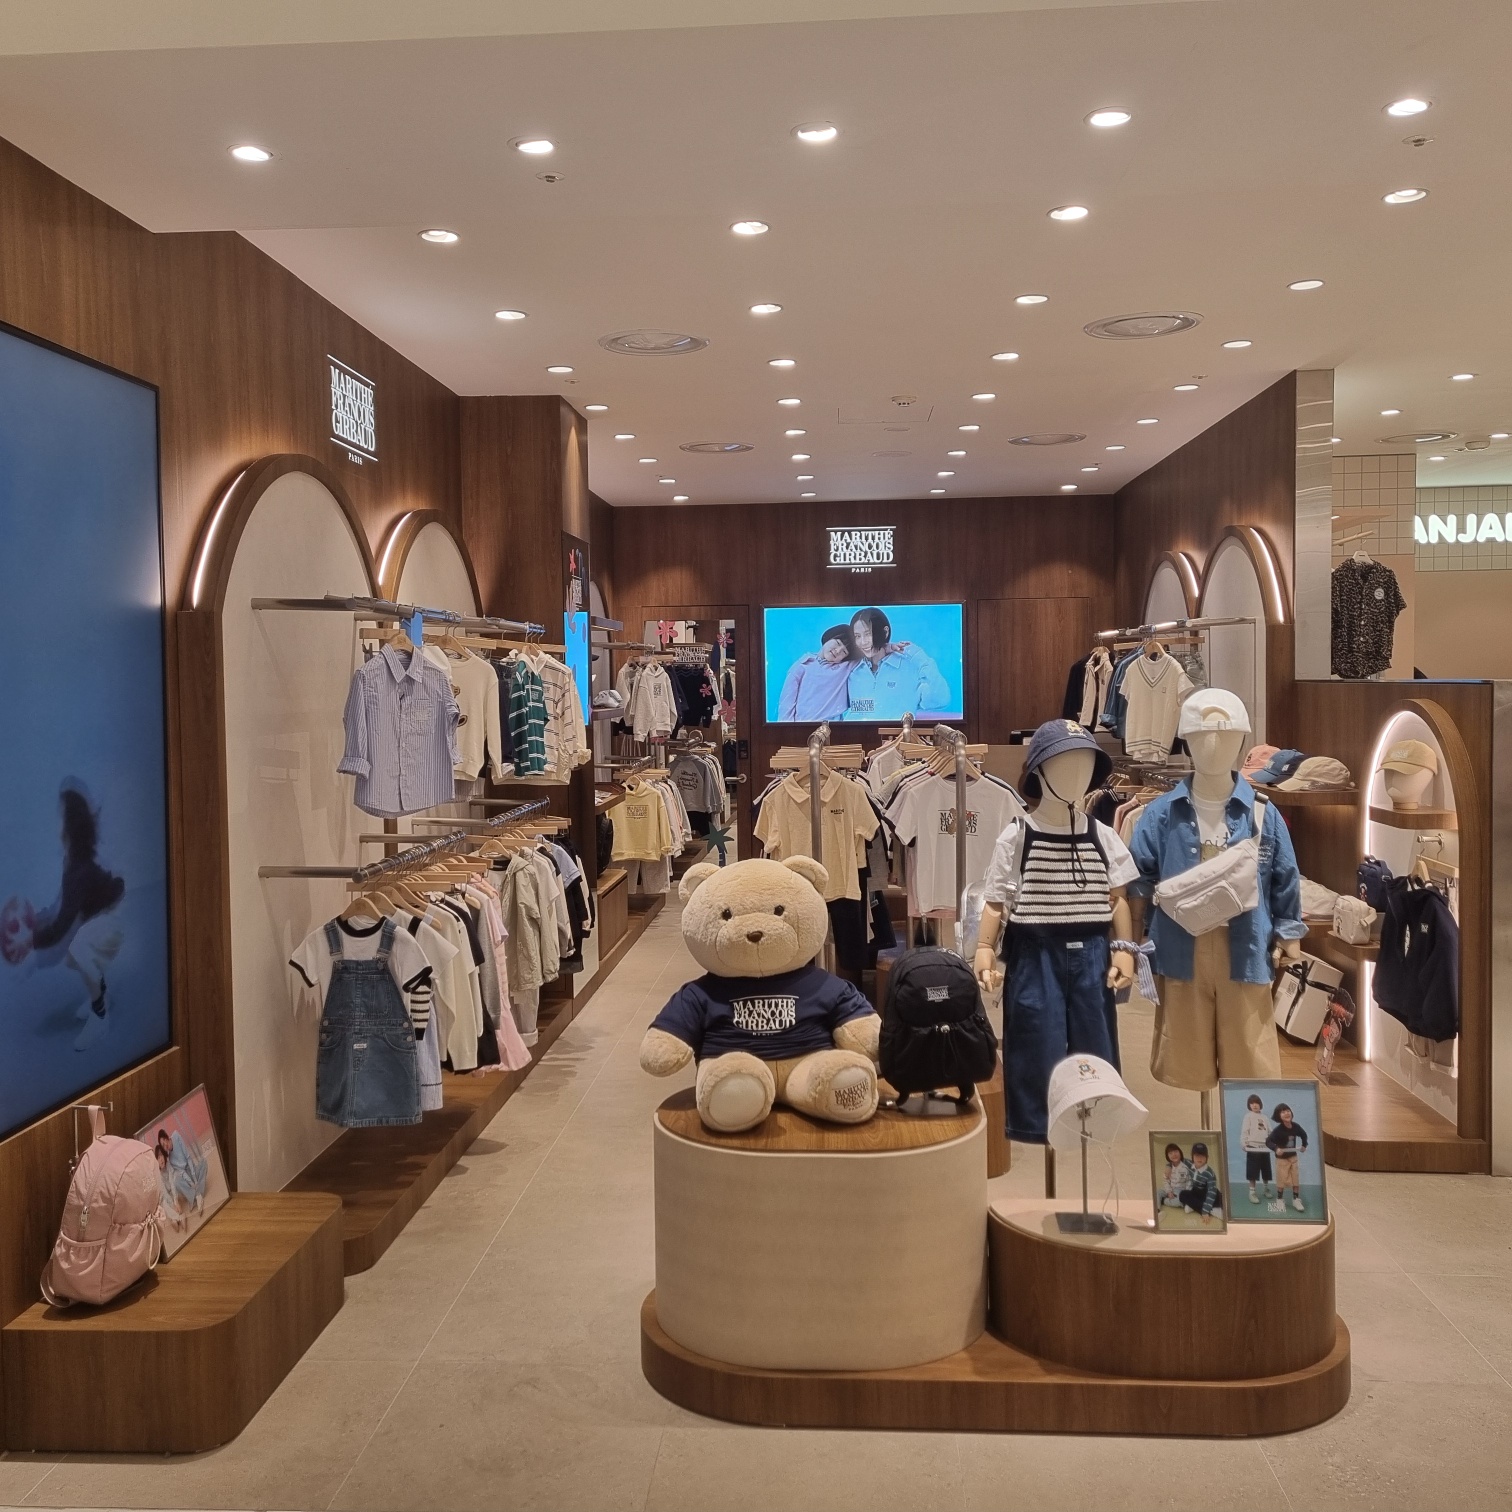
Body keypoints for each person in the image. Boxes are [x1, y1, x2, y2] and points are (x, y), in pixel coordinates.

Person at [0, 779, 125, 1052]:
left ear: (69, 825)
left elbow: (60, 928)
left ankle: (100, 1015)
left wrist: (30, 946)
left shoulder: (79, 871)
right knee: (77, 948)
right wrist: (34, 923)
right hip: (100, 913)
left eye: (59, 817)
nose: (55, 823)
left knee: (79, 947)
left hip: (113, 917)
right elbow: (59, 907)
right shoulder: (72, 861)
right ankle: (101, 992)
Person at [843, 608, 951, 720]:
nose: (863, 642)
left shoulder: (909, 666)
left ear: (885, 632)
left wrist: (920, 658)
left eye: (868, 634)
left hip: (899, 731)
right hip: (856, 731)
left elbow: (940, 700)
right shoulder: (852, 669)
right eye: (857, 636)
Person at [777, 624, 855, 721]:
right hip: (802, 724)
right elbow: (786, 703)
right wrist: (787, 728)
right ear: (829, 637)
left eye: (844, 652)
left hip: (831, 727)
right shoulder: (802, 665)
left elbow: (866, 652)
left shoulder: (845, 668)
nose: (838, 651)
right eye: (838, 643)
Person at [156, 1126, 209, 1223]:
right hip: (186, 1177)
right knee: (177, 1182)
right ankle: (197, 1196)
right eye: (163, 1145)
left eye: (165, 1141)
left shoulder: (176, 1136)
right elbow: (182, 1172)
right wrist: (190, 1182)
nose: (165, 1145)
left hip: (192, 1170)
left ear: (167, 1137)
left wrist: (194, 1179)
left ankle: (194, 1197)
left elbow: (188, 1157)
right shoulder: (171, 1159)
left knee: (204, 1162)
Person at [1266, 1102, 1309, 1212]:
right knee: (1281, 1179)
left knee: (1295, 1179)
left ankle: (1296, 1199)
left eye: (1288, 1111)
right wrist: (1276, 1148)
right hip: (1281, 1160)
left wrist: (1304, 1145)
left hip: (1293, 1157)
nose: (1286, 1113)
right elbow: (1268, 1141)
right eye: (1283, 1112)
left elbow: (1304, 1135)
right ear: (1278, 1116)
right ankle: (1280, 1199)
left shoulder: (1296, 1127)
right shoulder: (1278, 1130)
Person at [1240, 1092, 1275, 1203]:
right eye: (1252, 1103)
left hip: (1264, 1147)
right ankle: (1252, 1192)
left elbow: (1270, 1132)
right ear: (1249, 1105)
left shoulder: (1265, 1117)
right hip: (1252, 1146)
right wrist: (1244, 1143)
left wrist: (1273, 1143)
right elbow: (1245, 1130)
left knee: (1266, 1170)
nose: (1254, 1105)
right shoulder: (1248, 1116)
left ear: (1260, 1104)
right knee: (1253, 1171)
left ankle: (1266, 1189)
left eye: (1256, 1103)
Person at [1177, 1141, 1223, 1223]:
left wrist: (1205, 1211)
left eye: (1202, 1156)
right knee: (1182, 1195)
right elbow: (1176, 1159)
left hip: (1208, 1192)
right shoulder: (1190, 1164)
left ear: (1207, 1157)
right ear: (1192, 1157)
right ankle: (1209, 1209)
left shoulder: (1210, 1173)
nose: (1199, 1158)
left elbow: (1211, 1193)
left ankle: (1205, 1209)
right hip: (1196, 1192)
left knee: (1221, 1200)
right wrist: (1168, 1166)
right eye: (1197, 1155)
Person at [1160, 1142, 1193, 1208]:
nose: (1174, 1155)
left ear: (1180, 1152)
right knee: (1156, 1193)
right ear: (1167, 1156)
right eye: (1170, 1153)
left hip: (1180, 1191)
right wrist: (1169, 1192)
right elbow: (1166, 1181)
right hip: (1170, 1189)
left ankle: (1163, 1201)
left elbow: (1189, 1182)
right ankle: (1156, 1210)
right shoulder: (1168, 1168)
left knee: (1181, 1201)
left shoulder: (1185, 1167)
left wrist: (1187, 1194)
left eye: (1176, 1151)